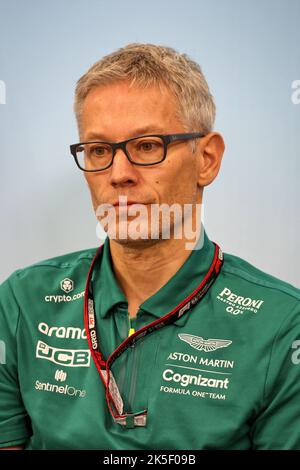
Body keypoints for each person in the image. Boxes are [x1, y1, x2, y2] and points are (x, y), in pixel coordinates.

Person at [0, 43, 300, 451]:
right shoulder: (22, 300)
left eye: (147, 145)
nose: (119, 174)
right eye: (99, 150)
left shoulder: (283, 326)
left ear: (207, 159)